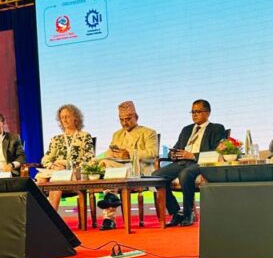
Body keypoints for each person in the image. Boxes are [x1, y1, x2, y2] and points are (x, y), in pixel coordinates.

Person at [156, 99, 227, 227]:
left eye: (198, 112)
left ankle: (188, 213)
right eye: (192, 112)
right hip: (181, 162)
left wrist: (193, 155)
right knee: (156, 176)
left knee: (185, 174)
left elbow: (216, 152)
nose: (194, 115)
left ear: (207, 113)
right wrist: (173, 154)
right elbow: (177, 147)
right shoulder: (186, 129)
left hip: (200, 163)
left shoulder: (216, 128)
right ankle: (176, 212)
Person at [97, 100, 159, 231]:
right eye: (122, 119)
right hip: (118, 170)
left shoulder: (149, 132)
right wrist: (97, 160)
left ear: (136, 117)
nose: (125, 123)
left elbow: (152, 154)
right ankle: (111, 199)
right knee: (105, 165)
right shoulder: (117, 134)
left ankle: (109, 217)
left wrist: (129, 154)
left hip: (139, 170)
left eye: (128, 119)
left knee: (110, 170)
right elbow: (110, 153)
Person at [41, 103, 96, 210]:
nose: (64, 120)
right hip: (56, 171)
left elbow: (89, 157)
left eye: (67, 116)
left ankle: (52, 216)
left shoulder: (84, 136)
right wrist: (53, 166)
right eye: (62, 117)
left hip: (76, 173)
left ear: (75, 118)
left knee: (56, 181)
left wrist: (67, 164)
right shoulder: (56, 139)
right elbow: (45, 159)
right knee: (40, 180)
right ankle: (39, 214)